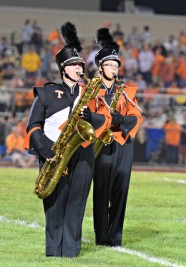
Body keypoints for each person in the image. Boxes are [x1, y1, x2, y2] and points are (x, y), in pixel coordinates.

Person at [24, 22, 110, 257]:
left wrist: (90, 116)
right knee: (54, 206)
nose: (78, 68)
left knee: (76, 204)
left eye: (80, 65)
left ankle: (71, 251)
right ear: (63, 68)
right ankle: (53, 251)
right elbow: (33, 126)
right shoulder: (47, 92)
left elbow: (104, 121)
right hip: (52, 153)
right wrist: (45, 151)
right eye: (73, 65)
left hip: (82, 153)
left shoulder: (90, 94)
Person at [92, 28, 142, 247]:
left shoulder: (126, 91)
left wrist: (119, 120)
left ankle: (116, 237)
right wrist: (108, 120)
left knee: (121, 190)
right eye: (110, 65)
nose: (114, 68)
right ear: (100, 67)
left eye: (116, 65)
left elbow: (136, 117)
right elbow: (88, 118)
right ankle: (101, 236)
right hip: (100, 144)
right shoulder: (91, 91)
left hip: (123, 144)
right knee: (101, 191)